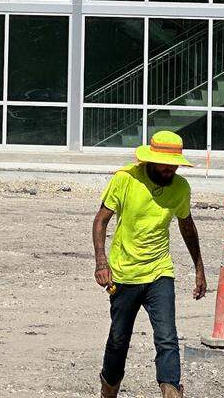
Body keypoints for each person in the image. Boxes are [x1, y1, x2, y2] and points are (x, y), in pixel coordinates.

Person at [91, 131, 206, 398]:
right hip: (124, 274)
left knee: (167, 338)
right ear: (151, 160)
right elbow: (101, 220)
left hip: (160, 272)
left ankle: (172, 391)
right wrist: (101, 262)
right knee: (119, 341)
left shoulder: (180, 188)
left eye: (174, 163)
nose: (170, 169)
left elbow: (187, 227)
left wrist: (199, 269)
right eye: (165, 163)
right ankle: (108, 390)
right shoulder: (126, 179)